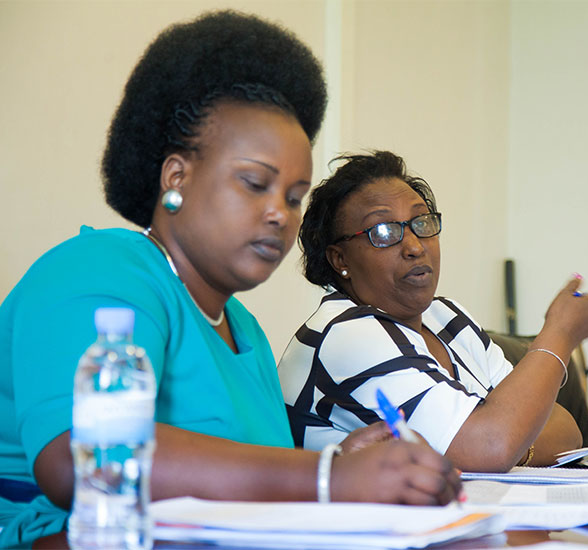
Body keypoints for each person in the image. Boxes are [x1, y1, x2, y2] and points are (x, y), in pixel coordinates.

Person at [0, 11, 461, 547]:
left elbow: (234, 479)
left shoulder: (243, 330)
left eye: (294, 197)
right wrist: (325, 478)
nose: (279, 214)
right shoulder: (97, 270)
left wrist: (333, 461)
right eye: (254, 184)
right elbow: (84, 463)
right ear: (177, 177)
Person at [278, 151, 588, 473]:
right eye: (383, 231)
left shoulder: (445, 317)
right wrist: (559, 334)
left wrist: (510, 447)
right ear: (340, 259)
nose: (415, 246)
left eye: (421, 222)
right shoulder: (346, 333)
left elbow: (565, 430)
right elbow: (493, 444)